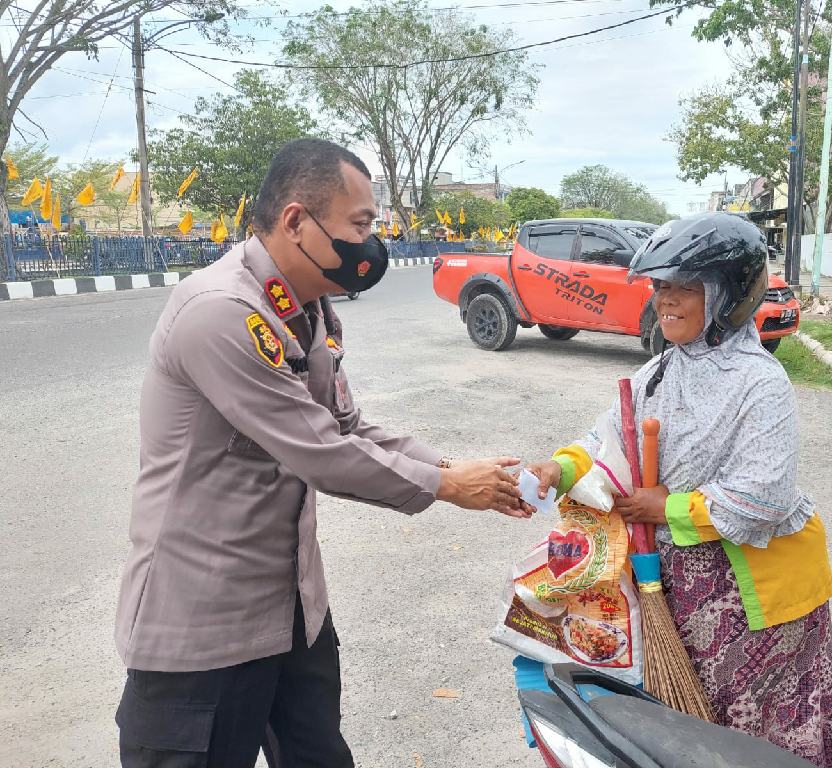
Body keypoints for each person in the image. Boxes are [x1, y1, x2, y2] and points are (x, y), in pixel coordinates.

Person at [114, 138, 530, 768]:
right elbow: (320, 451)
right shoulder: (221, 312)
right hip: (201, 618)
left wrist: (447, 465)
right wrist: (448, 488)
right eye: (360, 223)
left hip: (291, 607)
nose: (373, 240)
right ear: (296, 221)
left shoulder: (307, 311)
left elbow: (344, 424)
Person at [525, 213, 832, 768]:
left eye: (685, 288)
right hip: (673, 583)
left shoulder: (761, 382)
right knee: (689, 723)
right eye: (660, 287)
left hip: (753, 594)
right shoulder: (657, 371)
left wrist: (668, 506)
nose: (665, 301)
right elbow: (608, 441)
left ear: (728, 296)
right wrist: (558, 468)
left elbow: (763, 498)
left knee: (758, 723)